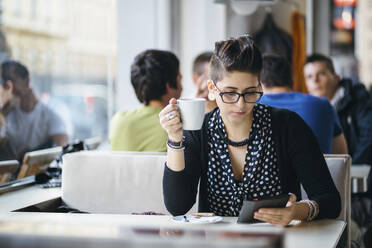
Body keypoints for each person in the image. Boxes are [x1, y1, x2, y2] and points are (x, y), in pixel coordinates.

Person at [160, 35, 341, 226]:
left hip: (277, 240)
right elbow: (177, 206)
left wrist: (298, 211)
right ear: (212, 88)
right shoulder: (199, 131)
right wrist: (175, 139)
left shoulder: (288, 126)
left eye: (250, 92)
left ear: (259, 86)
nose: (241, 104)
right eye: (230, 93)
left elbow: (330, 201)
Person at [259, 55, 348, 154]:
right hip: (315, 169)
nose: (315, 80)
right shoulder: (323, 105)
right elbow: (341, 157)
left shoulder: (250, 108)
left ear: (259, 83)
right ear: (292, 80)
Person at [304, 54, 372, 167]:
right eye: (309, 77)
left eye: (321, 74)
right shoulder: (308, 108)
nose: (315, 80)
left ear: (336, 77)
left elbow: (368, 138)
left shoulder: (360, 99)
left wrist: (350, 171)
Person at [110, 49, 182, 152]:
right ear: (169, 86)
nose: (182, 87)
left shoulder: (118, 121)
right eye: (180, 80)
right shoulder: (176, 126)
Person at [0, 60, 68, 161]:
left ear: (26, 81)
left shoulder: (50, 117)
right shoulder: (6, 116)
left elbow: (63, 150)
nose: (8, 88)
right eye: (4, 84)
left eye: (10, 81)